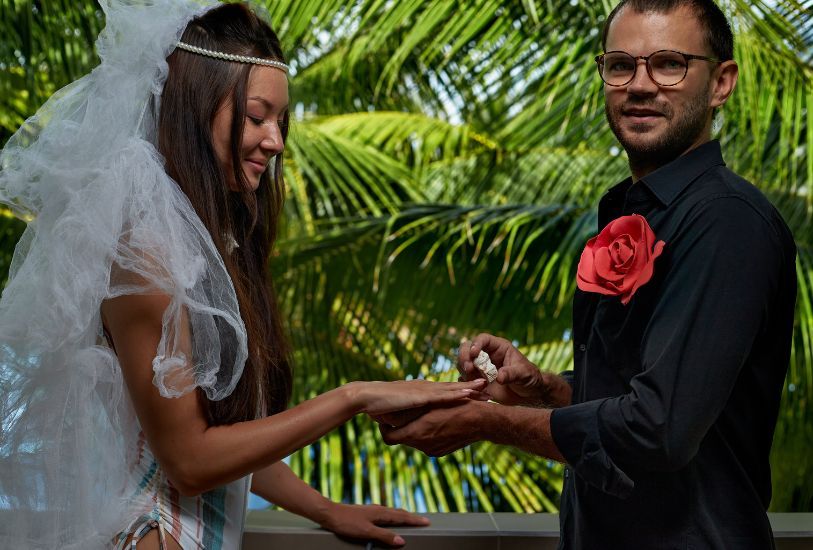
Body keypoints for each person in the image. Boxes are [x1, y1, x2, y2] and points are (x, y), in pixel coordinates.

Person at [0, 1, 487, 548]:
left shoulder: (207, 243)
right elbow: (188, 462)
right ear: (196, 105)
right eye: (258, 117)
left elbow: (224, 438)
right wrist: (353, 398)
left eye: (281, 121)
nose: (276, 141)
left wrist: (326, 510)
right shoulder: (146, 256)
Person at [379, 0, 797, 548]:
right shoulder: (634, 210)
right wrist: (544, 389)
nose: (640, 85)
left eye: (668, 64)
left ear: (721, 83)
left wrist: (484, 423)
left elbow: (658, 430)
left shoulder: (726, 221)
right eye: (621, 65)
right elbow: (643, 390)